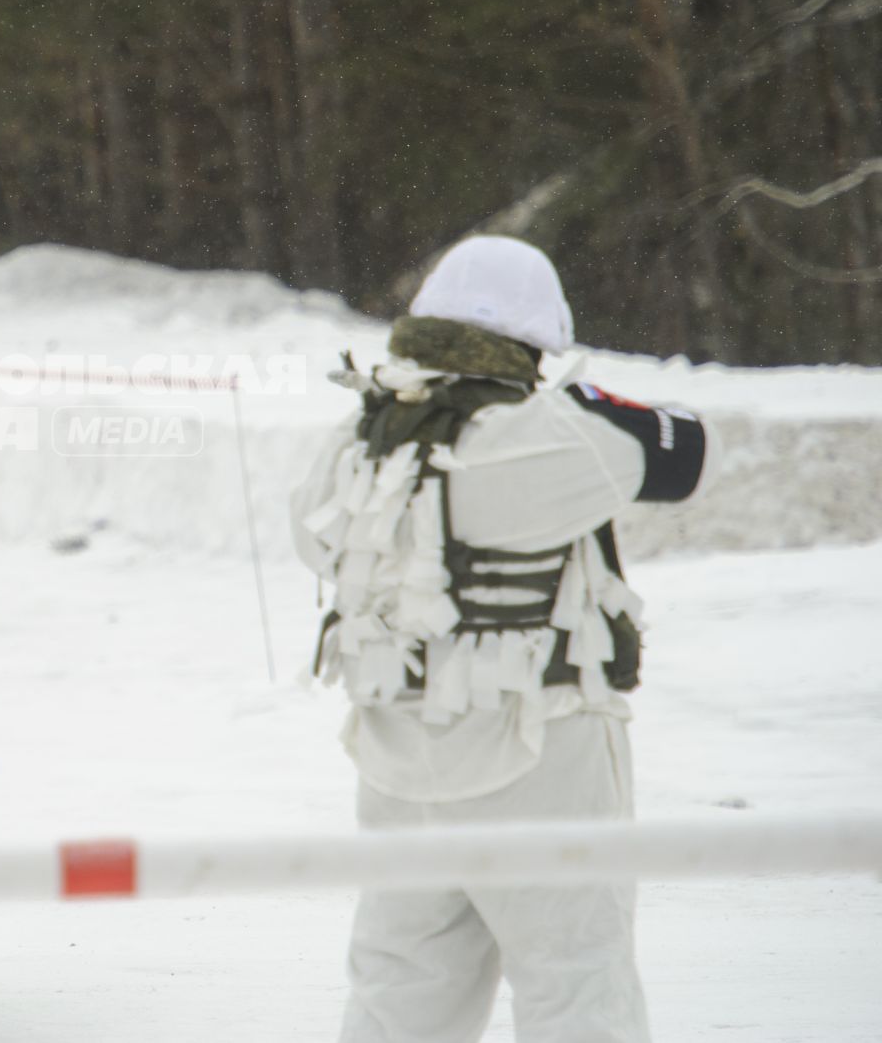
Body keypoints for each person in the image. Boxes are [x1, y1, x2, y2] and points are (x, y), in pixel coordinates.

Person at [291, 236, 708, 1043]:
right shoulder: (550, 430)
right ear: (535, 342)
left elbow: (312, 541)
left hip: (399, 764)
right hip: (539, 752)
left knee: (399, 990)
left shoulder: (359, 438)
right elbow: (690, 452)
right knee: (576, 984)